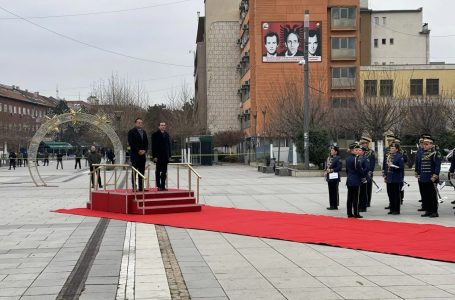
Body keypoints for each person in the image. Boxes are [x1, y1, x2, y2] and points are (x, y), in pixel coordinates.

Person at [417, 136, 441, 218]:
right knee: (426, 195)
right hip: (424, 177)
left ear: (431, 145)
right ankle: (428, 210)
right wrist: (419, 174)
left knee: (432, 196)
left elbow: (437, 166)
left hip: (431, 178)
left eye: (426, 144)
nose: (424, 146)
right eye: (424, 144)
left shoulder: (436, 153)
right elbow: (421, 165)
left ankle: (434, 211)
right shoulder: (423, 153)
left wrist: (435, 175)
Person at [128, 118, 149, 192]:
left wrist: (145, 150)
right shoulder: (131, 132)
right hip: (135, 155)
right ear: (135, 123)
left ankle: (141, 187)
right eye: (138, 122)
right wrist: (138, 150)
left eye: (141, 122)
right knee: (134, 172)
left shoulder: (144, 132)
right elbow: (131, 143)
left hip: (142, 155)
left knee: (142, 172)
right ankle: (134, 187)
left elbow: (146, 143)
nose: (140, 124)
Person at [346, 142, 365, 218]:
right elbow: (359, 170)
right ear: (352, 151)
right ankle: (356, 213)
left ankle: (349, 213)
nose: (357, 151)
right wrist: (363, 178)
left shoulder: (347, 158)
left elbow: (347, 170)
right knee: (355, 198)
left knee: (349, 197)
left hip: (349, 179)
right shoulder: (355, 159)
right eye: (356, 150)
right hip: (356, 180)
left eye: (358, 150)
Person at [152, 122, 172, 191]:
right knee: (158, 171)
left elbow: (169, 145)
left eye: (164, 125)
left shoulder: (167, 134)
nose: (163, 126)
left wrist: (169, 155)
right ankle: (158, 185)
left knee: (164, 172)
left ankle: (163, 185)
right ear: (159, 126)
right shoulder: (155, 135)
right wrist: (154, 156)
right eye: (161, 125)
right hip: (158, 156)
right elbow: (153, 146)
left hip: (165, 156)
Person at [385, 143, 404, 215]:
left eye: (393, 148)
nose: (391, 149)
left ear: (396, 149)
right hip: (390, 177)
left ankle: (396, 210)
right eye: (391, 148)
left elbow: (401, 167)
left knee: (396, 194)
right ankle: (392, 209)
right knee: (390, 194)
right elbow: (387, 167)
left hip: (396, 177)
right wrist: (386, 176)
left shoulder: (399, 157)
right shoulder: (389, 156)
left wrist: (393, 166)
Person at [359, 137, 376, 207]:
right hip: (361, 173)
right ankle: (362, 201)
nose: (363, 145)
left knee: (368, 187)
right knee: (362, 188)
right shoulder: (360, 151)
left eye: (365, 143)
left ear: (367, 144)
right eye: (362, 144)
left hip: (368, 172)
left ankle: (368, 202)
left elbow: (372, 162)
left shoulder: (371, 152)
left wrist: (371, 171)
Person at [325, 145, 342, 210]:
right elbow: (327, 166)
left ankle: (335, 205)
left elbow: (339, 168)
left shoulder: (338, 158)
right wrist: (326, 171)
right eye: (331, 150)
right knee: (330, 191)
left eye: (332, 150)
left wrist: (332, 170)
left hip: (335, 177)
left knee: (335, 191)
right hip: (329, 177)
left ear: (336, 152)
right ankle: (331, 205)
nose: (331, 151)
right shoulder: (329, 158)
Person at [382, 134, 395, 209]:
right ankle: (390, 203)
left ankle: (395, 204)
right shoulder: (386, 149)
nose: (389, 142)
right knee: (389, 189)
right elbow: (384, 161)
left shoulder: (397, 149)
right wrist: (384, 171)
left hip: (394, 171)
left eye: (390, 141)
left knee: (394, 190)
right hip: (388, 171)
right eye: (388, 141)